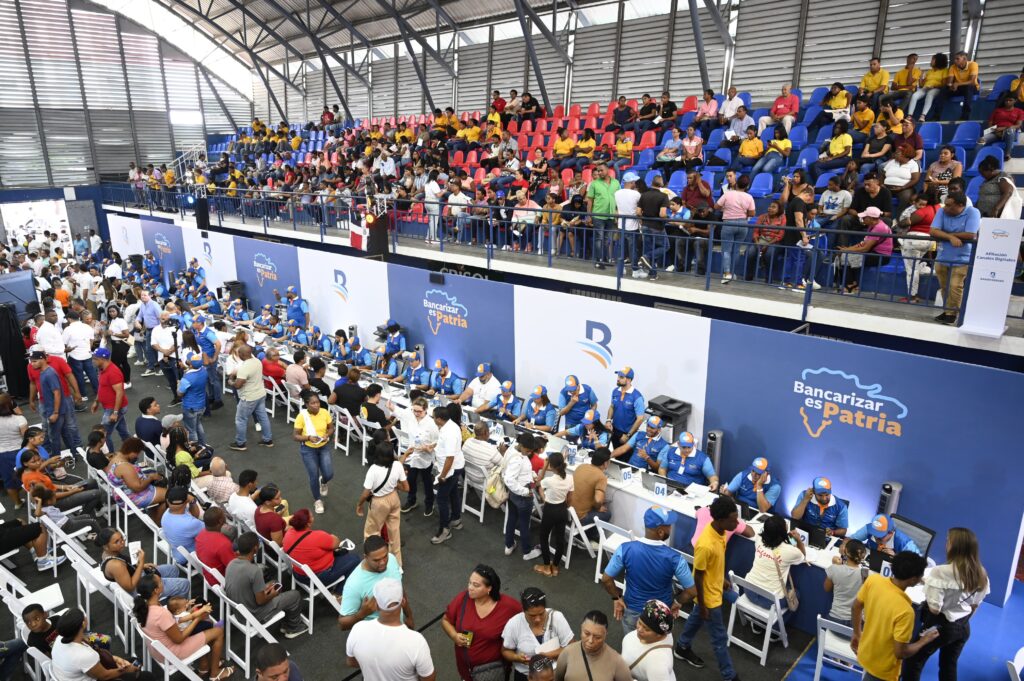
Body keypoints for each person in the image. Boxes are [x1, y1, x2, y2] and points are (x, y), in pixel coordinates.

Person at [902, 528, 990, 681]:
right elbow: (975, 605)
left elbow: (935, 609)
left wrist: (929, 587)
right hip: (963, 627)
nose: (946, 543)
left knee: (913, 661)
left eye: (948, 540)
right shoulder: (981, 573)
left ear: (954, 546)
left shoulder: (940, 572)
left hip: (938, 626)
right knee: (948, 665)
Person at [672, 496, 740, 678]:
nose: (737, 523)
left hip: (716, 587)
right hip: (708, 598)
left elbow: (715, 563)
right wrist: (702, 605)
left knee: (696, 620)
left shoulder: (721, 532)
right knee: (719, 639)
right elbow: (699, 576)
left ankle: (682, 646)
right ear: (720, 520)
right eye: (733, 520)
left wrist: (722, 578)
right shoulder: (705, 544)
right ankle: (729, 675)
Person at [600, 505, 696, 633]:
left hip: (632, 611)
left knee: (631, 648)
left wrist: (616, 598)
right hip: (660, 614)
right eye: (669, 525)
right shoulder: (676, 559)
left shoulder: (625, 549)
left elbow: (606, 579)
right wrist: (677, 603)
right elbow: (691, 591)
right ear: (661, 532)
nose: (671, 527)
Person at [851, 552, 937, 681]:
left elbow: (855, 607)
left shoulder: (873, 580)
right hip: (883, 672)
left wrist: (857, 633)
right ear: (913, 580)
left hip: (865, 654)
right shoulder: (906, 611)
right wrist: (924, 641)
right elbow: (901, 652)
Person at [134, 574, 232, 679]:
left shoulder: (145, 607)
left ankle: (204, 666)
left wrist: (191, 615)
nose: (163, 582)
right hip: (172, 653)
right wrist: (197, 618)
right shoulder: (161, 613)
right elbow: (179, 639)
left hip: (158, 650)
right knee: (218, 631)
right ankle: (215, 674)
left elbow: (170, 625)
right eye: (161, 582)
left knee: (201, 628)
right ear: (156, 590)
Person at [442, 565, 523, 681]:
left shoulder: (508, 607)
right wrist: (454, 635)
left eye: (476, 585)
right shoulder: (463, 598)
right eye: (469, 583)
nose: (470, 588)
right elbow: (446, 620)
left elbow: (528, 617)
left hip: (492, 673)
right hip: (466, 671)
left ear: (489, 588)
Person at [345, 578, 434, 681]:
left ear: (377, 606)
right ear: (403, 602)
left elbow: (351, 662)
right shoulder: (417, 641)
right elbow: (429, 678)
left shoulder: (357, 629)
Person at [224, 532, 306, 639]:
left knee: (272, 583)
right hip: (254, 616)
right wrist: (273, 594)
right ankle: (293, 628)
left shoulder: (231, 564)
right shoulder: (254, 570)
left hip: (240, 613)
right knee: (295, 595)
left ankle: (286, 621)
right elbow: (261, 601)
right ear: (255, 548)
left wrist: (265, 590)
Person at [50, 607, 152, 681]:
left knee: (133, 660)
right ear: (83, 623)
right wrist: (125, 670)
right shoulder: (83, 655)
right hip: (96, 676)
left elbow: (95, 654)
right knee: (147, 676)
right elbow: (105, 676)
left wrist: (116, 659)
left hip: (71, 675)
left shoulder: (60, 638)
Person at [338, 535, 409, 631]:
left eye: (385, 557)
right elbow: (342, 623)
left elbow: (400, 589)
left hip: (399, 627)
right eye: (376, 560)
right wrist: (362, 613)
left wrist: (409, 616)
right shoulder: (354, 584)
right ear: (365, 557)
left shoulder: (391, 559)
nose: (382, 562)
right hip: (377, 637)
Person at [502, 587, 575, 681]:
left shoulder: (557, 618)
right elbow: (505, 651)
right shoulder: (513, 624)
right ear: (523, 611)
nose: (538, 619)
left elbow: (572, 647)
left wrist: (548, 656)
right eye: (532, 615)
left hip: (554, 674)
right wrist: (517, 657)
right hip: (525, 674)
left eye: (541, 613)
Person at [929, 192, 980, 325]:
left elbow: (970, 234)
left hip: (962, 258)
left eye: (949, 205)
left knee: (955, 286)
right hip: (942, 256)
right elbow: (933, 231)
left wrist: (945, 234)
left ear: (961, 205)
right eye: (945, 204)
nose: (945, 208)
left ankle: (952, 314)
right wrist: (952, 237)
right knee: (944, 287)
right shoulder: (942, 211)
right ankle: (948, 311)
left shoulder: (973, 212)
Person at [96, 526, 189, 598]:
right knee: (185, 584)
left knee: (173, 569)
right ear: (106, 546)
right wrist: (140, 565)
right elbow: (130, 587)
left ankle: (170, 599)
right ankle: (177, 608)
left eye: (121, 538)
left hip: (138, 575)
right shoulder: (115, 565)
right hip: (140, 588)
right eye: (116, 542)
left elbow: (127, 568)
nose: (122, 543)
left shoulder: (107, 553)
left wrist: (142, 566)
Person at [282, 508, 359, 593]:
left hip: (298, 574)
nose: (313, 516)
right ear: (308, 523)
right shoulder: (317, 536)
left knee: (342, 555)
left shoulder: (288, 534)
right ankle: (338, 593)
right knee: (355, 559)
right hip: (318, 578)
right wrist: (331, 536)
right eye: (311, 516)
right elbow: (337, 543)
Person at [356, 438, 408, 564]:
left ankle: (373, 561)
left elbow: (366, 493)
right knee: (394, 533)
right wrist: (394, 485)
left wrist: (359, 505)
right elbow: (406, 488)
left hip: (379, 502)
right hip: (394, 498)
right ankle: (397, 564)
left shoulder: (373, 469)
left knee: (372, 532)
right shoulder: (397, 465)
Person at [740, 515, 805, 608]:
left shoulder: (759, 539)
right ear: (782, 532)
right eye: (785, 524)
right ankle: (783, 621)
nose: (786, 524)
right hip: (771, 601)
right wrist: (798, 540)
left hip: (749, 590)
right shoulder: (790, 551)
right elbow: (802, 556)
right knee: (796, 593)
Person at [554, 610, 631, 681]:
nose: (590, 641)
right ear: (581, 628)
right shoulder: (567, 652)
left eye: (597, 637)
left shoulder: (617, 662)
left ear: (605, 635)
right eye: (586, 634)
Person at [427, 405, 465, 544]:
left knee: (442, 499)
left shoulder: (449, 432)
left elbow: (450, 457)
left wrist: (442, 475)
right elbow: (446, 445)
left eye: (433, 417)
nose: (432, 419)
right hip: (456, 466)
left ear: (439, 419)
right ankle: (456, 519)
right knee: (453, 493)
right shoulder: (451, 425)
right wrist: (434, 446)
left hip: (450, 470)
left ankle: (444, 530)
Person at [395, 396, 438, 515]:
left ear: (426, 410)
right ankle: (411, 500)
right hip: (413, 454)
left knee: (427, 482)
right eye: (414, 410)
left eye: (419, 411)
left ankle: (429, 504)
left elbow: (437, 441)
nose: (416, 413)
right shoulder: (412, 418)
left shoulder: (431, 424)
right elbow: (401, 413)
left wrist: (429, 447)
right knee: (411, 479)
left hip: (426, 457)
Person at [533, 452, 574, 577]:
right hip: (562, 509)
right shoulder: (570, 477)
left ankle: (546, 567)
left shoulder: (549, 480)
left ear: (551, 465)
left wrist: (544, 467)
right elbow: (570, 498)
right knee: (560, 539)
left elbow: (537, 483)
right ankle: (555, 567)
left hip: (550, 510)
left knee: (544, 537)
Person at [293, 391, 334, 514]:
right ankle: (317, 500)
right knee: (313, 476)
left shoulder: (325, 412)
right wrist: (308, 438)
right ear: (306, 404)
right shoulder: (302, 416)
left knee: (329, 473)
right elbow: (295, 436)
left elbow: (331, 427)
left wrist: (327, 434)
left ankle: (324, 481)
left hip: (323, 446)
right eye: (313, 403)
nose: (316, 405)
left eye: (318, 402)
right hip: (308, 449)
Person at [503, 432, 540, 560]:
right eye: (528, 450)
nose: (529, 453)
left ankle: (509, 545)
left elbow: (523, 468)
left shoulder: (513, 450)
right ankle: (527, 551)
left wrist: (532, 474)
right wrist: (525, 491)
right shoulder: (517, 459)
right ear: (522, 446)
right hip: (522, 494)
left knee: (512, 518)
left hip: (513, 494)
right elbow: (509, 480)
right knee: (524, 524)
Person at [229, 344, 273, 451]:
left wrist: (231, 382)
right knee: (263, 417)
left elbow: (238, 384)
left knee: (241, 419)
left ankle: (240, 443)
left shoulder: (244, 367)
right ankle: (268, 440)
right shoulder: (257, 361)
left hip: (248, 397)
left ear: (241, 354)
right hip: (260, 394)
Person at [620, 600, 676, 681]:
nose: (639, 629)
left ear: (659, 634)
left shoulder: (658, 665)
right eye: (639, 622)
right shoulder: (664, 630)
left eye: (646, 629)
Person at [824, 538, 868, 626]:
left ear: (846, 551)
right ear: (863, 556)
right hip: (856, 625)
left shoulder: (834, 569)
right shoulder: (866, 574)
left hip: (834, 621)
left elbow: (827, 588)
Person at [91, 348, 129, 451]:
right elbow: (102, 387)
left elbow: (119, 392)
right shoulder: (102, 369)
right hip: (110, 407)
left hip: (114, 409)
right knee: (123, 432)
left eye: (95, 358)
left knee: (103, 435)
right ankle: (132, 450)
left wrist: (115, 412)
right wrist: (96, 401)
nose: (93, 361)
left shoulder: (113, 372)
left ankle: (111, 457)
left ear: (102, 359)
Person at [160, 486, 203, 566]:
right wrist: (193, 501)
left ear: (167, 501)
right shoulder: (190, 523)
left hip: (178, 553)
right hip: (190, 557)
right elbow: (211, 529)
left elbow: (195, 516)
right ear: (186, 501)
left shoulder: (166, 514)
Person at [195, 507, 237, 585]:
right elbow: (234, 568)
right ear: (220, 521)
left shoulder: (201, 534)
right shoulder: (223, 544)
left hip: (209, 574)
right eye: (223, 515)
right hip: (221, 579)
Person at [605, 367, 645, 446]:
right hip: (614, 430)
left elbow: (640, 419)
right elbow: (612, 406)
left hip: (627, 434)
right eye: (618, 376)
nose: (618, 379)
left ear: (629, 380)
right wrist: (609, 420)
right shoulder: (615, 391)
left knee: (625, 457)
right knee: (615, 454)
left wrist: (628, 435)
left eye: (621, 377)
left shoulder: (637, 397)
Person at [849, 514, 923, 555]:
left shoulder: (904, 543)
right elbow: (850, 540)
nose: (876, 539)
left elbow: (917, 564)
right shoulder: (869, 528)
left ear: (891, 532)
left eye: (880, 537)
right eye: (874, 535)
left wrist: (896, 558)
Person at [176, 356, 208, 446]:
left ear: (190, 364)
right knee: (198, 425)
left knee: (191, 430)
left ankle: (195, 448)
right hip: (201, 405)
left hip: (190, 407)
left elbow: (179, 394)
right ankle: (202, 444)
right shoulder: (203, 371)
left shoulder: (187, 378)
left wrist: (178, 385)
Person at [940, 51, 979, 120]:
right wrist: (951, 86)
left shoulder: (973, 64)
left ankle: (965, 116)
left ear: (964, 59)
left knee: (968, 88)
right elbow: (949, 82)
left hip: (972, 88)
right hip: (958, 88)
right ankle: (936, 116)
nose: (955, 61)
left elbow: (971, 82)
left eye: (957, 59)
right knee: (943, 89)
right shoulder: (953, 67)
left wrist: (957, 84)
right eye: (955, 59)